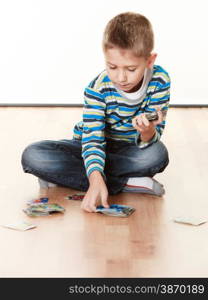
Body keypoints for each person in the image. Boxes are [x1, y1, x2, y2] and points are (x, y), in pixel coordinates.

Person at [21, 12, 170, 213]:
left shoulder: (160, 80)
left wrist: (147, 131)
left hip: (129, 150)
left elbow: (153, 136)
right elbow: (92, 140)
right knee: (33, 156)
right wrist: (94, 176)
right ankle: (126, 183)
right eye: (112, 67)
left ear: (150, 60)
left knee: (157, 154)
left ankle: (73, 179)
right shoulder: (97, 88)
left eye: (131, 69)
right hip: (92, 146)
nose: (121, 77)